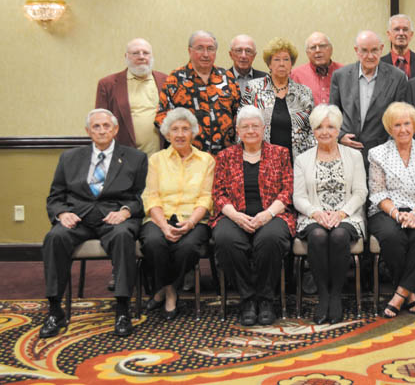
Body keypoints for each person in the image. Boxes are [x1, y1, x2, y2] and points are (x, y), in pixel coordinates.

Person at [40, 109, 147, 338]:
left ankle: (122, 309)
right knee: (54, 237)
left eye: (106, 126)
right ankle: (54, 309)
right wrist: (61, 214)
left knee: (122, 236)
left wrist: (126, 212)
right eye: (96, 126)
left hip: (114, 217)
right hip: (78, 218)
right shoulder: (69, 158)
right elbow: (55, 197)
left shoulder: (135, 158)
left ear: (115, 129)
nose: (102, 130)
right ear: (88, 131)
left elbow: (141, 197)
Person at [211, 106, 295, 326]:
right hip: (234, 216)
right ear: (237, 130)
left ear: (264, 128)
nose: (250, 130)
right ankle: (247, 299)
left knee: (270, 239)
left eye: (255, 126)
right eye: (245, 126)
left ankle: (266, 299)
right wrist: (236, 216)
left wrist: (267, 215)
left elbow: (287, 191)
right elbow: (218, 194)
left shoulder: (280, 153)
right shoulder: (225, 156)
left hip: (272, 214)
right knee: (225, 239)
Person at [368, 102, 415, 317]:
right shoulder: (377, 154)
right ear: (389, 128)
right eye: (397, 125)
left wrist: (413, 214)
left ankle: (399, 294)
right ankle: (410, 295)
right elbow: (377, 192)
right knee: (393, 235)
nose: (403, 129)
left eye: (407, 124)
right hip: (387, 210)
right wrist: (397, 214)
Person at [293, 104, 367, 324]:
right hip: (312, 216)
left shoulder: (354, 156)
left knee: (339, 236)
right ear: (313, 131)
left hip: (348, 215)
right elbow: (298, 197)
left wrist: (341, 213)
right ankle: (322, 296)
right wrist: (316, 213)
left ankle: (335, 296)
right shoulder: (302, 159)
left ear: (338, 129)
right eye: (319, 127)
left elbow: (360, 192)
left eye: (330, 127)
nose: (325, 132)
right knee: (317, 236)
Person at [140, 108, 215, 320]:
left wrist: (190, 223)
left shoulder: (206, 160)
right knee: (154, 242)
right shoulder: (156, 160)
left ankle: (162, 290)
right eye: (175, 129)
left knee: (188, 247)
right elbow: (151, 196)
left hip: (194, 218)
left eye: (185, 129)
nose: (180, 134)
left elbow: (206, 197)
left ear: (193, 132)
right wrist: (163, 225)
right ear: (167, 134)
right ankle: (171, 290)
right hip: (159, 217)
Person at [156, 30, 240, 155]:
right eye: (200, 48)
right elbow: (161, 117)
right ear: (190, 51)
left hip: (224, 157)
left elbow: (238, 115)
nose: (205, 54)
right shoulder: (175, 79)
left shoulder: (227, 77)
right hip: (186, 158)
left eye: (210, 49)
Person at [330, 30, 408, 165]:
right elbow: (332, 113)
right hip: (347, 152)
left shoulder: (397, 77)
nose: (370, 56)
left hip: (383, 154)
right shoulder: (340, 76)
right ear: (356, 50)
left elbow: (401, 117)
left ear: (382, 49)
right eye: (364, 51)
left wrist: (389, 147)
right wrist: (340, 136)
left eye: (374, 50)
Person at [240, 37, 315, 162]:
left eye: (286, 59)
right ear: (269, 64)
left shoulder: (304, 93)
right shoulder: (254, 88)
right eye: (276, 59)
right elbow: (242, 123)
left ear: (291, 64)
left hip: (297, 161)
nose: (282, 63)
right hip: (260, 161)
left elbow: (312, 130)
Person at [95, 38, 167, 156]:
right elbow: (99, 123)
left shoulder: (166, 81)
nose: (141, 56)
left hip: (161, 158)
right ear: (126, 56)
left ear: (152, 56)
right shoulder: (108, 85)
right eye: (135, 53)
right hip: (123, 157)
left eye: (146, 53)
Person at [291, 32, 344, 105]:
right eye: (313, 47)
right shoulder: (295, 75)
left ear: (331, 49)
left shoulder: (344, 72)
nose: (318, 50)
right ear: (307, 53)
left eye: (322, 46)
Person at [380, 14, 415, 78]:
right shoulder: (379, 64)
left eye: (405, 29)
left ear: (411, 34)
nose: (401, 33)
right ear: (389, 34)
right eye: (396, 29)